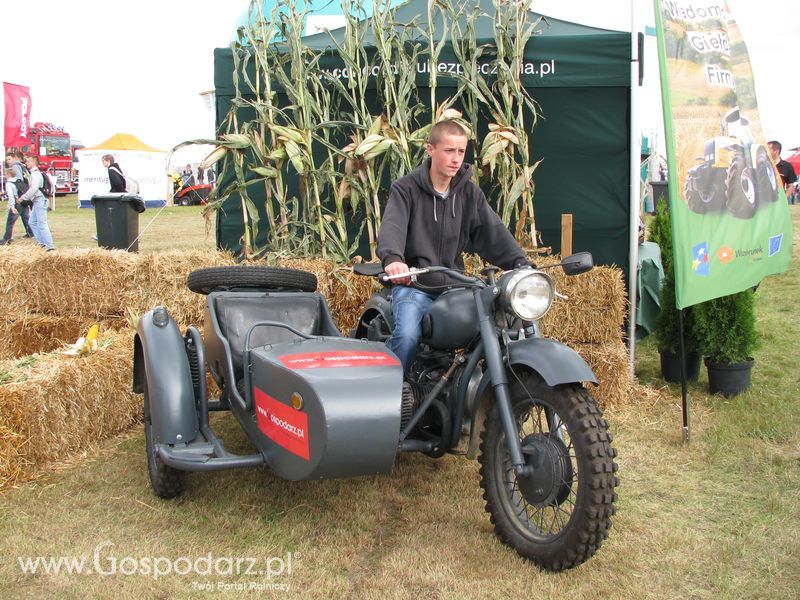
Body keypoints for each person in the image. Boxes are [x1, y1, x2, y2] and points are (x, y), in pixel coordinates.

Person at [376, 120, 531, 372]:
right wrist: (393, 260)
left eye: (461, 151)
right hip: (416, 286)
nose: (456, 158)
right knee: (407, 337)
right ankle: (390, 399)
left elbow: (492, 232)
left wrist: (520, 263)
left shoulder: (469, 194)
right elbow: (392, 228)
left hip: (456, 287)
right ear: (430, 150)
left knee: (499, 328)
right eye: (449, 150)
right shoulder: (406, 189)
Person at [18, 155, 55, 251]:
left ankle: (49, 246)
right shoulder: (34, 173)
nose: (26, 163)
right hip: (38, 200)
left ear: (33, 163)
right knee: (32, 222)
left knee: (42, 223)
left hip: (40, 200)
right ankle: (42, 243)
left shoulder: (35, 174)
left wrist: (23, 197)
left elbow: (33, 189)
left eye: (28, 161)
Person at [4, 152, 34, 237]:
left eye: (9, 159)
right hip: (23, 195)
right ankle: (31, 233)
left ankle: (7, 238)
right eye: (6, 160)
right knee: (25, 216)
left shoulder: (15, 166)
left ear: (14, 158)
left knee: (11, 219)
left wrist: (17, 195)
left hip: (19, 196)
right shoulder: (21, 165)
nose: (8, 161)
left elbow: (19, 181)